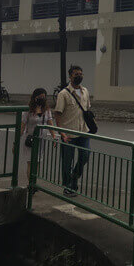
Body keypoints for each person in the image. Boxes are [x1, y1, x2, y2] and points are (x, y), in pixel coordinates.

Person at [54, 65, 91, 197]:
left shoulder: (85, 91)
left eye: (81, 74)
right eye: (76, 74)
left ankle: (74, 177)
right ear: (70, 77)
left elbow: (87, 109)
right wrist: (61, 133)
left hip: (83, 131)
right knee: (67, 161)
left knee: (85, 155)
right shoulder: (63, 94)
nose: (79, 76)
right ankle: (68, 186)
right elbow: (57, 114)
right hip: (68, 133)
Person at [21, 87, 58, 180]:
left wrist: (54, 136)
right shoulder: (28, 110)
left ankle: (34, 182)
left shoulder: (46, 110)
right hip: (30, 139)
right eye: (40, 97)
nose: (42, 99)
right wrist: (16, 140)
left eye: (43, 97)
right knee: (30, 162)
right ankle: (31, 183)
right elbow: (22, 126)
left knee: (37, 162)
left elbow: (50, 124)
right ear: (34, 97)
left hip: (41, 140)